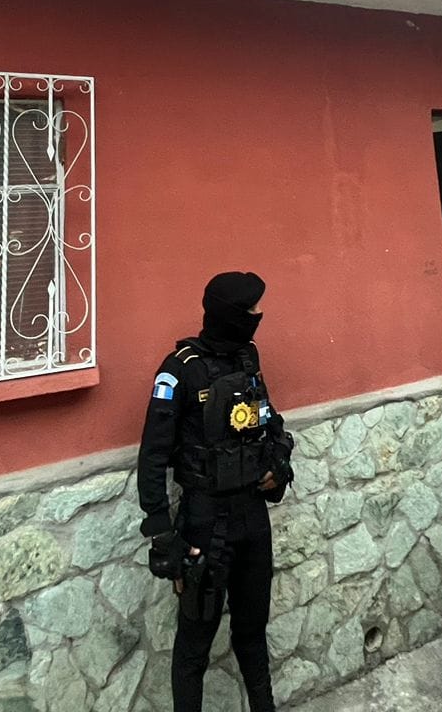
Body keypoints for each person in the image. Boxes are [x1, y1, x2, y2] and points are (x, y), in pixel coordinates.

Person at [137, 272, 295, 712]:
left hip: (252, 519)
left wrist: (279, 465)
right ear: (229, 314)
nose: (258, 316)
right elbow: (153, 455)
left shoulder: (247, 358)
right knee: (194, 647)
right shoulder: (179, 370)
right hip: (205, 526)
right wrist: (163, 533)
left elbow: (270, 422)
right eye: (250, 310)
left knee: (252, 632)